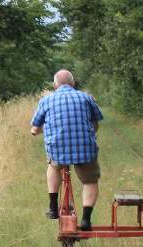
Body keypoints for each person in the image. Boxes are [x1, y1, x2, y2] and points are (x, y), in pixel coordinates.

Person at [30, 70, 103, 230]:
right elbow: (95, 123)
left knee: (53, 167)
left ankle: (52, 208)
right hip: (84, 149)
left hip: (58, 150)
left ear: (55, 85)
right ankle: (86, 220)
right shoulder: (86, 98)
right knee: (90, 181)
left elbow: (35, 128)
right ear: (73, 83)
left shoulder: (46, 100)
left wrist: (37, 131)